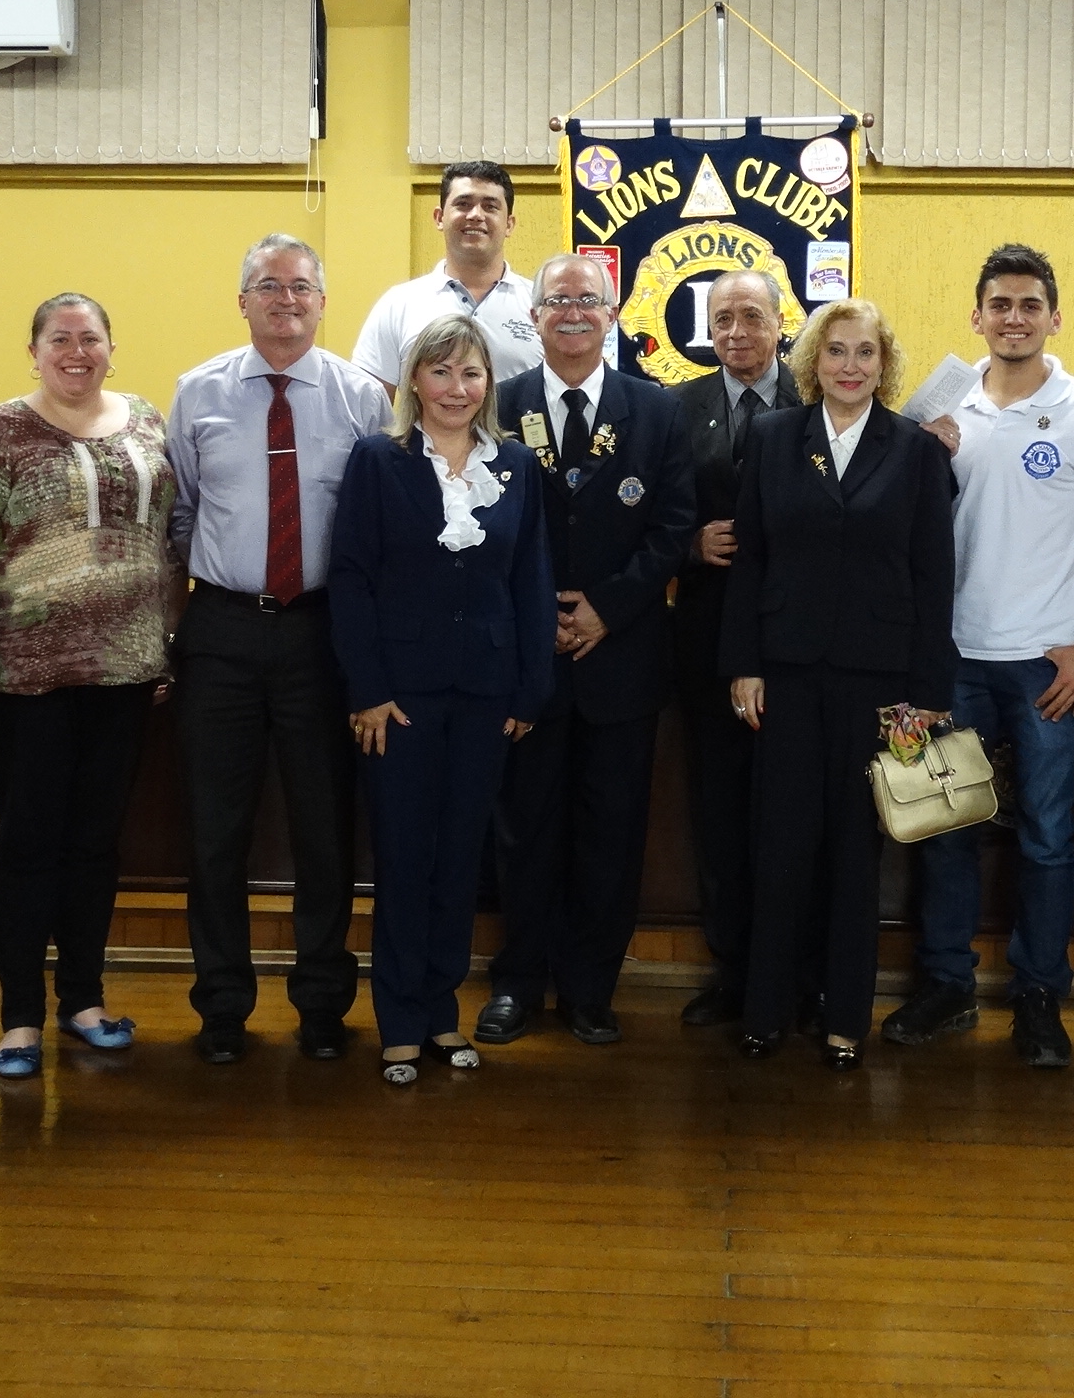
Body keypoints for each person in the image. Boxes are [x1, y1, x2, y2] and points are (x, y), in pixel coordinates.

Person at [888, 243, 1074, 1069]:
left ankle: (1039, 997)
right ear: (977, 317)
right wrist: (925, 448)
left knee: (1048, 839)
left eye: (1031, 305)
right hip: (951, 660)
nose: (1015, 318)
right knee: (945, 830)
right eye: (1000, 304)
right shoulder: (941, 414)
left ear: (1053, 317)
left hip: (1047, 668)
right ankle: (947, 987)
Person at [0, 293, 182, 1079]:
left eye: (92, 338)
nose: (78, 352)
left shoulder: (146, 419)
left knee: (95, 845)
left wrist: (164, 644)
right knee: (27, 845)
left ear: (113, 346)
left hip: (128, 677)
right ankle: (18, 1020)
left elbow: (168, 542)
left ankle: (83, 999)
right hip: (26, 681)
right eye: (60, 339)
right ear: (34, 350)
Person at [168, 236, 390, 1065]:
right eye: (268, 285)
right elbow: (180, 517)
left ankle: (323, 1004)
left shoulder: (362, 398)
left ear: (323, 300)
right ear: (243, 300)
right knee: (214, 831)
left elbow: (374, 533)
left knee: (325, 830)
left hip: (323, 632)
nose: (285, 299)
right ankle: (222, 1005)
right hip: (221, 629)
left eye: (301, 286)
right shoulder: (198, 394)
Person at [722, 300, 957, 1071]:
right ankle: (765, 1010)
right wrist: (743, 663)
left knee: (856, 853)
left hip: (880, 682)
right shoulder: (773, 437)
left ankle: (845, 1017)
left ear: (884, 365)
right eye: (835, 352)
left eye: (864, 353)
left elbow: (933, 576)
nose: (850, 366)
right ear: (812, 363)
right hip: (785, 672)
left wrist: (926, 695)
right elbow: (749, 559)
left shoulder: (917, 452)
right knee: (779, 845)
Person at [328, 315, 554, 1085]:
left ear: (488, 384)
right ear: (413, 381)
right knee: (404, 857)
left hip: (487, 696)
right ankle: (397, 1020)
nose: (457, 389)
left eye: (471, 374)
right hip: (401, 699)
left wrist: (530, 688)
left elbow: (531, 582)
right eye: (441, 372)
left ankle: (441, 1014)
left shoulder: (517, 465)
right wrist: (368, 690)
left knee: (461, 860)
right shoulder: (377, 461)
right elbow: (352, 579)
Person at [476, 255, 696, 1048]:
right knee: (523, 829)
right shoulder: (495, 407)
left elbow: (675, 528)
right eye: (557, 299)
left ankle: (590, 989)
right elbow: (484, 531)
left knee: (611, 832)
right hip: (528, 662)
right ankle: (517, 984)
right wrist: (543, 616)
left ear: (612, 316)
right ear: (532, 318)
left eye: (588, 300)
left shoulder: (656, 409)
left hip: (622, 658)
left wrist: (605, 608)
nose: (572, 311)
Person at [668, 268, 799, 1028]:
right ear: (707, 330)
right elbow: (648, 517)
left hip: (794, 643)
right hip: (708, 641)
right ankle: (732, 970)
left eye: (752, 317)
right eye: (723, 320)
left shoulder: (817, 401)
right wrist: (689, 543)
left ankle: (794, 975)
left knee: (790, 813)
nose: (737, 333)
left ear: (782, 323)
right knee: (719, 813)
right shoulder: (674, 408)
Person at [349, 160, 541, 389]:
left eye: (490, 207)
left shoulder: (540, 304)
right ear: (439, 218)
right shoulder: (398, 304)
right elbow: (369, 408)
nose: (476, 215)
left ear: (509, 224)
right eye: (463, 204)